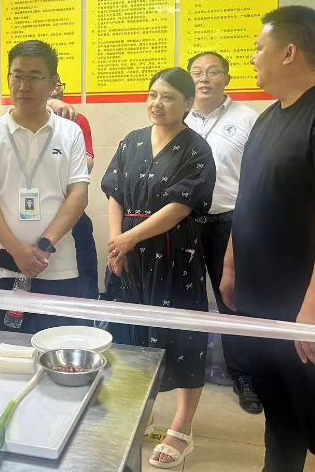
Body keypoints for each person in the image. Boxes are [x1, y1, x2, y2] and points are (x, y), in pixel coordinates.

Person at [221, 6, 315, 471]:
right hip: (263, 305)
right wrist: (231, 265)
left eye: (258, 47)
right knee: (281, 421)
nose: (252, 57)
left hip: (308, 313)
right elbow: (251, 200)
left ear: (288, 52)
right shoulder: (269, 118)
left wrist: (313, 311)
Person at [102, 67, 216, 469]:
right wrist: (116, 240)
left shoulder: (196, 148)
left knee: (182, 336)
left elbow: (181, 206)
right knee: (131, 337)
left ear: (187, 104)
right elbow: (115, 194)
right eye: (153, 94)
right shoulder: (131, 141)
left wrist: (129, 239)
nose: (157, 103)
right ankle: (143, 411)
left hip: (173, 255)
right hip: (128, 255)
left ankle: (182, 427)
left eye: (168, 97)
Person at [0, 40, 89, 333]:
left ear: (53, 82)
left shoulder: (70, 132)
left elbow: (78, 194)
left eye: (35, 77)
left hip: (57, 265)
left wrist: (43, 246)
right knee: (7, 347)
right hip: (3, 264)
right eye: (17, 76)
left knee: (57, 345)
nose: (24, 86)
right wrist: (17, 251)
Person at [183, 51, 261, 414]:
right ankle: (182, 369)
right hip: (184, 223)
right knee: (182, 298)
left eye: (213, 72)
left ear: (227, 78)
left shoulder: (247, 119)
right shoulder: (179, 116)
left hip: (229, 223)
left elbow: (256, 178)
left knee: (233, 301)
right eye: (197, 72)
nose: (204, 78)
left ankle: (243, 376)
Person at [47, 78, 98, 301]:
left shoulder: (77, 120)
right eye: (47, 84)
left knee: (82, 288)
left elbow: (87, 164)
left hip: (72, 214)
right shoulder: (12, 123)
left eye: (58, 84)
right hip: (32, 217)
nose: (54, 90)